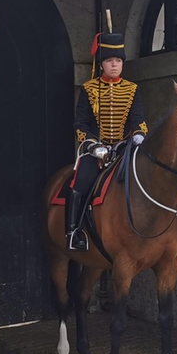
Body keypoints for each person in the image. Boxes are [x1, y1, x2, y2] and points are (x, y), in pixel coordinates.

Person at [65, 32, 147, 251]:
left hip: (124, 148)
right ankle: (74, 232)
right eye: (110, 61)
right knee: (80, 183)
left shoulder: (132, 90)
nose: (114, 65)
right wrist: (93, 145)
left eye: (118, 61)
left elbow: (139, 120)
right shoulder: (89, 89)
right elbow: (80, 124)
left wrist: (139, 134)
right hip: (96, 151)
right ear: (101, 64)